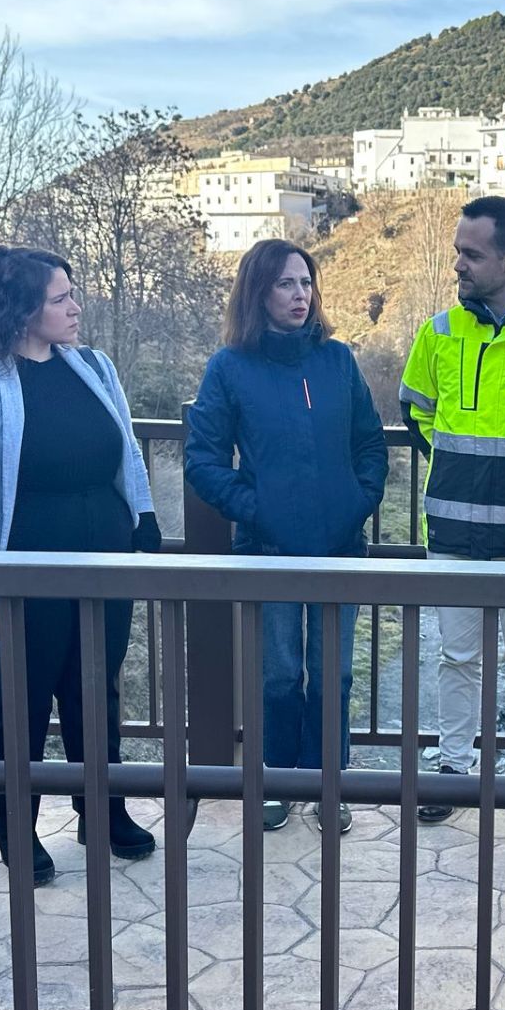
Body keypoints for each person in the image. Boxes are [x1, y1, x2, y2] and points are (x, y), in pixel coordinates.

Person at [0, 246, 162, 883]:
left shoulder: (94, 366)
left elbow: (126, 447)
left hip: (104, 547)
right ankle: (14, 824)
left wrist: (144, 519)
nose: (75, 307)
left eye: (73, 294)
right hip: (28, 557)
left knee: (95, 685)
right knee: (22, 695)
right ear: (21, 310)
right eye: (60, 298)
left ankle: (103, 807)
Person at [186, 239, 387, 835]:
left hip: (340, 548)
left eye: (306, 283)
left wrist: (359, 499)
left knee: (335, 675)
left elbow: (370, 443)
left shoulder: (338, 360)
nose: (300, 295)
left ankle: (330, 786)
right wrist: (259, 509)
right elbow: (204, 460)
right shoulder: (230, 366)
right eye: (285, 284)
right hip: (268, 549)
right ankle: (276, 780)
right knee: (278, 673)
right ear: (258, 293)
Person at [399, 197, 505, 828]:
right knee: (456, 657)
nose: (459, 266)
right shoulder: (439, 332)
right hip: (452, 531)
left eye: (471, 255)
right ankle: (453, 768)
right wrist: (460, 465)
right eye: (456, 253)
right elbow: (415, 409)